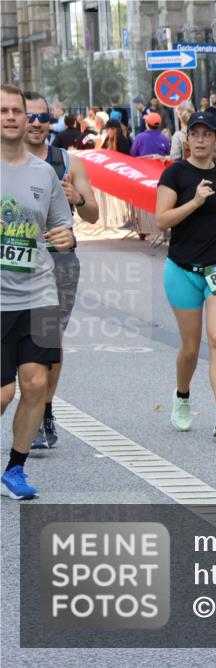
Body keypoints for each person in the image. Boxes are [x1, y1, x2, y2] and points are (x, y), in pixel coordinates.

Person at [1, 83, 77, 499]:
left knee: (34, 384)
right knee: (3, 392)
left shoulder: (44, 172)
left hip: (41, 295)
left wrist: (64, 238)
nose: (13, 117)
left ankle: (15, 469)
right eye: (4, 111)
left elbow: (62, 226)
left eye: (18, 111)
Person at [154, 111, 216, 439]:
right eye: (196, 134)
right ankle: (182, 396)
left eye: (208, 134)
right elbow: (162, 220)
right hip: (182, 268)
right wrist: (194, 202)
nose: (202, 140)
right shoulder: (175, 174)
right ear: (187, 139)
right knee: (190, 347)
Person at [22, 91, 99, 449]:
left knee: (47, 339)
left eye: (43, 118)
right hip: (13, 263)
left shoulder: (67, 162)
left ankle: (43, 411)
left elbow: (93, 214)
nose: (37, 124)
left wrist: (78, 198)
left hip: (57, 262)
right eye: (30, 117)